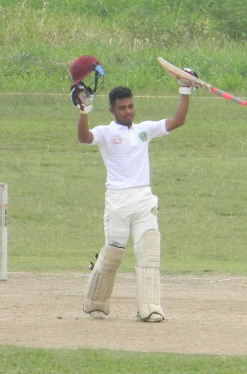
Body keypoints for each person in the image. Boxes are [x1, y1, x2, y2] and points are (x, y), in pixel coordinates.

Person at [72, 55, 194, 322]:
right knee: (114, 253)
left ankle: (149, 308)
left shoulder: (145, 130)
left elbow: (178, 121)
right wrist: (83, 111)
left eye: (131, 106)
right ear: (113, 111)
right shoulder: (105, 132)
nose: (128, 111)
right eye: (123, 108)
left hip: (143, 199)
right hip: (117, 201)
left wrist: (185, 89)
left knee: (149, 252)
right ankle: (96, 302)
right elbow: (84, 138)